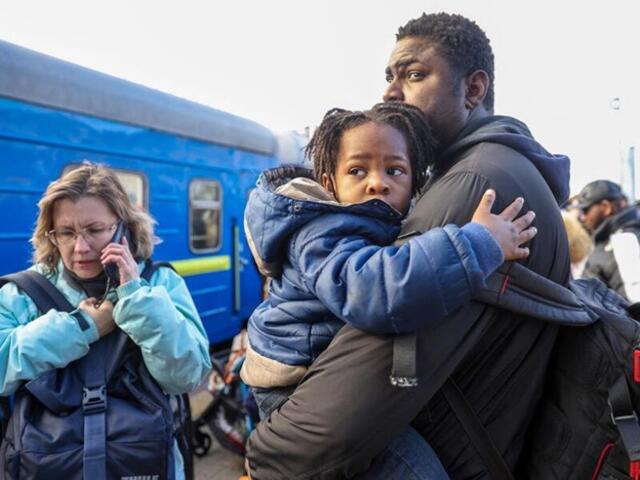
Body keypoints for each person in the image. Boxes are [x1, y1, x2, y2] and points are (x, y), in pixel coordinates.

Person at [245, 12, 571, 479]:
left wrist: (273, 459)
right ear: (329, 181)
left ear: (473, 90)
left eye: (414, 74)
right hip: (294, 385)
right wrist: (478, 244)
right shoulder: (329, 229)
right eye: (358, 171)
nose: (390, 92)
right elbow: (382, 291)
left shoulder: (475, 183)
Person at [0, 164, 211, 479]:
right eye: (66, 233)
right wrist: (82, 326)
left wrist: (135, 297)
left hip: (144, 463)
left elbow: (188, 375)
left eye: (94, 230)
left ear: (122, 229)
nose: (80, 247)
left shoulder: (159, 283)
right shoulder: (22, 293)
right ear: (51, 235)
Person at [573, 179, 640, 301]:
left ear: (605, 207)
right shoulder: (611, 238)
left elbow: (636, 300)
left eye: (585, 210)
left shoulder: (624, 240)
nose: (581, 218)